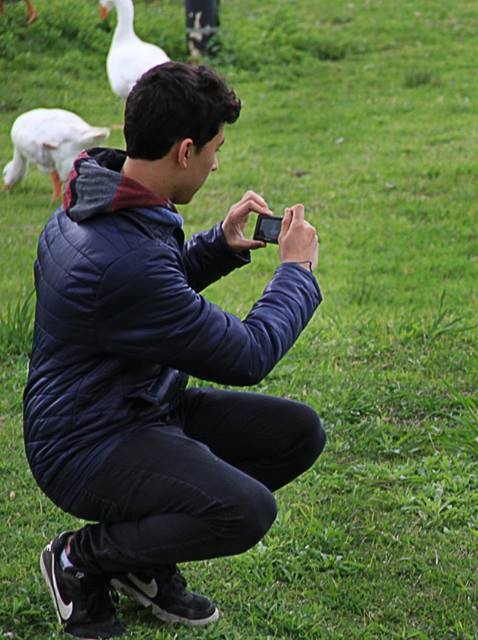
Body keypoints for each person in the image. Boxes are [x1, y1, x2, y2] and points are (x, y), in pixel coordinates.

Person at [23, 61, 325, 639]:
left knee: (296, 433)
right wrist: (297, 273)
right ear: (185, 151)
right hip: (84, 444)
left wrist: (219, 245)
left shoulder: (100, 202)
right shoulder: (124, 251)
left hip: (135, 407)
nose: (217, 162)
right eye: (214, 148)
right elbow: (247, 355)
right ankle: (80, 559)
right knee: (246, 510)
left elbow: (146, 300)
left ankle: (139, 559)